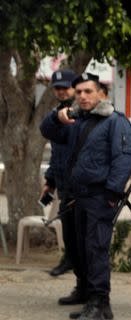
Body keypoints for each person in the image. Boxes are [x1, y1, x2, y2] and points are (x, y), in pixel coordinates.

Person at [40, 72, 131, 320]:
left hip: (99, 196)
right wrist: (56, 116)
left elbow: (124, 159)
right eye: (79, 92)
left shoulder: (115, 121)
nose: (82, 96)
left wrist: (112, 194)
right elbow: (47, 132)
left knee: (95, 249)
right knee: (80, 248)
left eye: (88, 91)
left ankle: (98, 302)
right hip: (77, 196)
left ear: (102, 93)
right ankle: (93, 298)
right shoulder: (77, 121)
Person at [39, 69, 78, 281]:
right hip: (64, 184)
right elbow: (57, 153)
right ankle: (69, 259)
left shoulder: (81, 114)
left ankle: (88, 284)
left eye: (66, 87)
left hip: (82, 185)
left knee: (83, 234)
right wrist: (50, 182)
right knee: (68, 228)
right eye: (58, 88)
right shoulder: (57, 115)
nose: (62, 92)